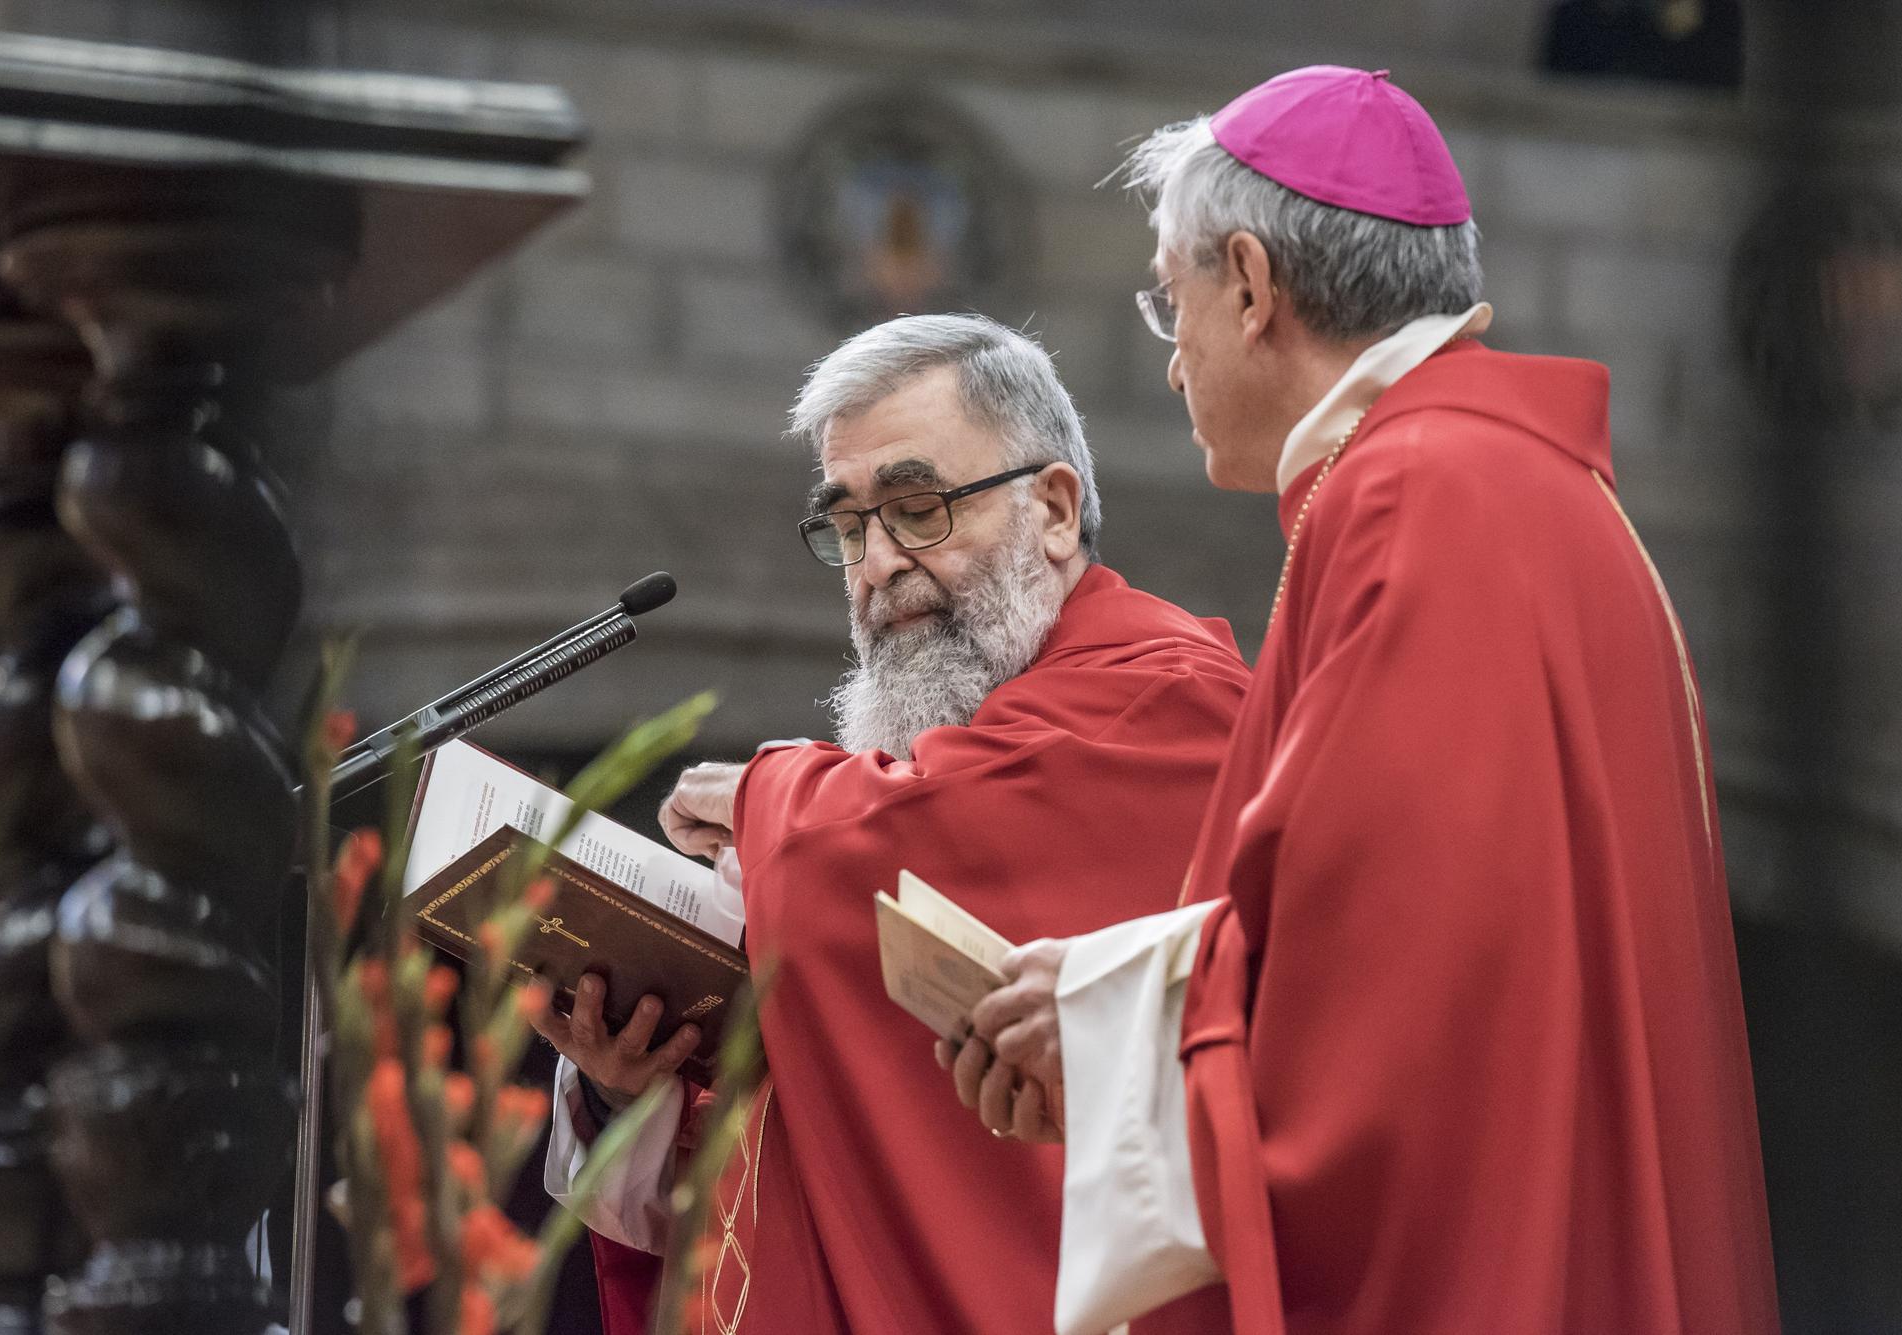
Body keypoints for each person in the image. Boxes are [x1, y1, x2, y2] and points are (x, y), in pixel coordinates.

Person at [944, 67, 1781, 1335]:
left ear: (1249, 284)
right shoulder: (1509, 485)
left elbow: (1394, 992)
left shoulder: (1418, 498)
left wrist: (1109, 1024)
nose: (1170, 366)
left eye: (1170, 306)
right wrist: (1110, 998)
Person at [535, 314, 1251, 1334]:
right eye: (847, 526)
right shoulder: (903, 782)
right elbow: (829, 1132)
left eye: (917, 510)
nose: (875, 566)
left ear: (1052, 508)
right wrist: (641, 1087)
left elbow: (882, 851)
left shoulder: (1167, 698)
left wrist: (762, 794)